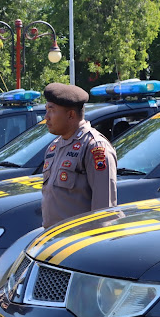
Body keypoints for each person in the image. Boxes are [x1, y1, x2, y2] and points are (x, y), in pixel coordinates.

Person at [41, 82, 118, 228]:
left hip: (77, 243)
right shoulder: (55, 146)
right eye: (46, 110)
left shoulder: (95, 147)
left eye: (52, 110)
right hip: (53, 239)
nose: (46, 117)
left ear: (70, 115)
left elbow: (104, 211)